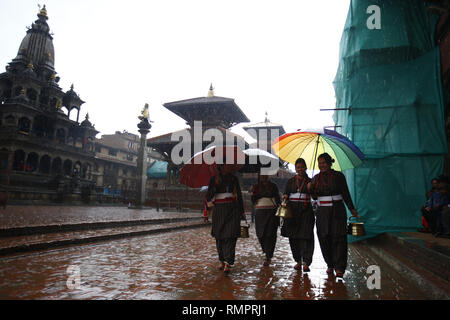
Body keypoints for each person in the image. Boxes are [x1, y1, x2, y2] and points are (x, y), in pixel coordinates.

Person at [308, 153, 359, 279]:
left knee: (338, 237)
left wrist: (351, 208)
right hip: (322, 212)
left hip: (337, 210)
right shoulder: (315, 178)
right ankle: (329, 264)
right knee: (324, 236)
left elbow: (345, 193)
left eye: (324, 163)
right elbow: (314, 197)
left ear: (330, 163)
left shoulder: (338, 176)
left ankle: (339, 267)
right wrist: (310, 189)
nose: (322, 165)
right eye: (320, 163)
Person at [205, 164, 246, 273]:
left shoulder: (234, 179)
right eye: (226, 166)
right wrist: (215, 186)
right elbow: (208, 196)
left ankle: (228, 262)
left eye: (230, 166)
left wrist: (242, 211)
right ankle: (222, 260)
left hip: (233, 210)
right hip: (218, 210)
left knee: (231, 236)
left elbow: (239, 195)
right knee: (219, 236)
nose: (229, 167)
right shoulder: (214, 179)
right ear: (221, 167)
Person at [281, 158, 315, 272]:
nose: (300, 169)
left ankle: (306, 262)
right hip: (292, 212)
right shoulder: (290, 181)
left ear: (305, 167)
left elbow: (315, 196)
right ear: (295, 169)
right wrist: (285, 196)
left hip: (306, 211)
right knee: (293, 237)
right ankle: (298, 260)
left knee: (306, 236)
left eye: (302, 167)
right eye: (298, 167)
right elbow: (286, 193)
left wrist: (311, 188)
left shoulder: (310, 181)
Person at [251, 173, 281, 266]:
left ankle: (268, 255)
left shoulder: (273, 186)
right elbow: (253, 200)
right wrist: (253, 193)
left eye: (265, 175)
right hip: (260, 213)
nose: (263, 177)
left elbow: (278, 199)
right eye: (261, 175)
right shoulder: (255, 187)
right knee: (260, 234)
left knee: (270, 234)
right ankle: (265, 251)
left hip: (272, 212)